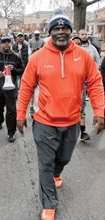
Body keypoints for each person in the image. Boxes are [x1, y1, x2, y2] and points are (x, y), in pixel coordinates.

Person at [17, 13, 104, 220]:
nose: (61, 32)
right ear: (50, 33)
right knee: (45, 164)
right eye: (56, 29)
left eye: (65, 29)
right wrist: (20, 114)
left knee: (64, 158)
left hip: (72, 119)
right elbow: (26, 87)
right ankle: (49, 204)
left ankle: (57, 172)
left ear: (70, 32)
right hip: (44, 121)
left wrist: (100, 111)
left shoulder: (83, 56)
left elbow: (95, 83)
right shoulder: (38, 57)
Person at [0, 35, 24, 142]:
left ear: (11, 43)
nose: (6, 44)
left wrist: (14, 69)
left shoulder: (16, 56)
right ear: (0, 44)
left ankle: (11, 132)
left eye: (8, 42)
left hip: (11, 88)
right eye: (4, 42)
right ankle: (0, 121)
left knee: (11, 111)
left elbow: (22, 70)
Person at [72, 36, 91, 141]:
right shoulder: (65, 57)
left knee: (81, 110)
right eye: (75, 43)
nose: (77, 45)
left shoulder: (85, 56)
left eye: (79, 43)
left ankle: (83, 132)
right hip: (68, 91)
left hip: (81, 88)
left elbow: (90, 72)